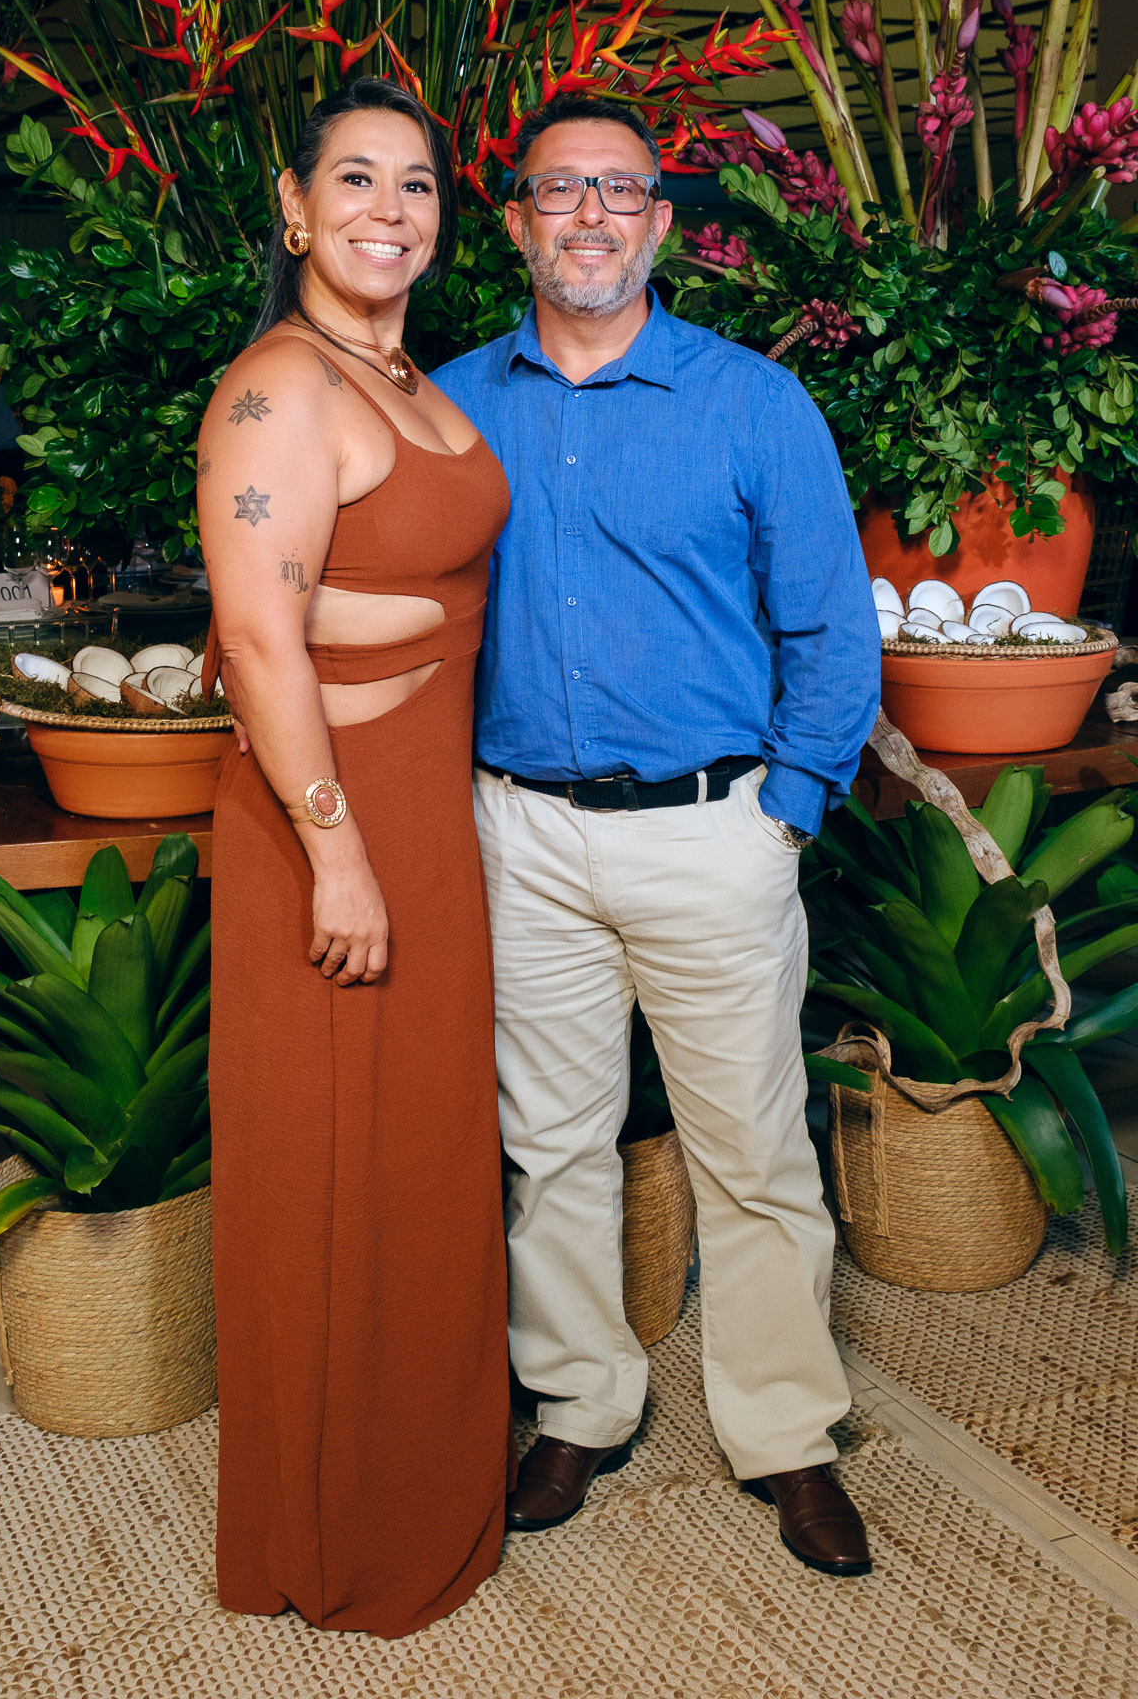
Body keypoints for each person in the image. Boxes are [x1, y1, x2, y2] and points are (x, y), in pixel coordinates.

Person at [432, 93, 882, 1577]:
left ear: (662, 223)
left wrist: (787, 812)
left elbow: (831, 629)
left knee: (752, 1152)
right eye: (560, 190)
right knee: (551, 1149)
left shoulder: (754, 404)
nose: (591, 216)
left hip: (713, 832)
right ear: (516, 221)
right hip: (522, 837)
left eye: (620, 190)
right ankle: (580, 1404)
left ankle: (786, 1432)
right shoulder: (449, 405)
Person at [197, 78, 512, 1637]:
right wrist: (337, 855)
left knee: (418, 1160)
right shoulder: (278, 392)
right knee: (330, 1169)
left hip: (427, 814)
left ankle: (418, 1482)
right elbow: (261, 637)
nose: (390, 210)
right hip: (335, 825)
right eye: (357, 180)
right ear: (294, 205)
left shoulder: (406, 379)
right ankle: (332, 1532)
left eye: (418, 185)